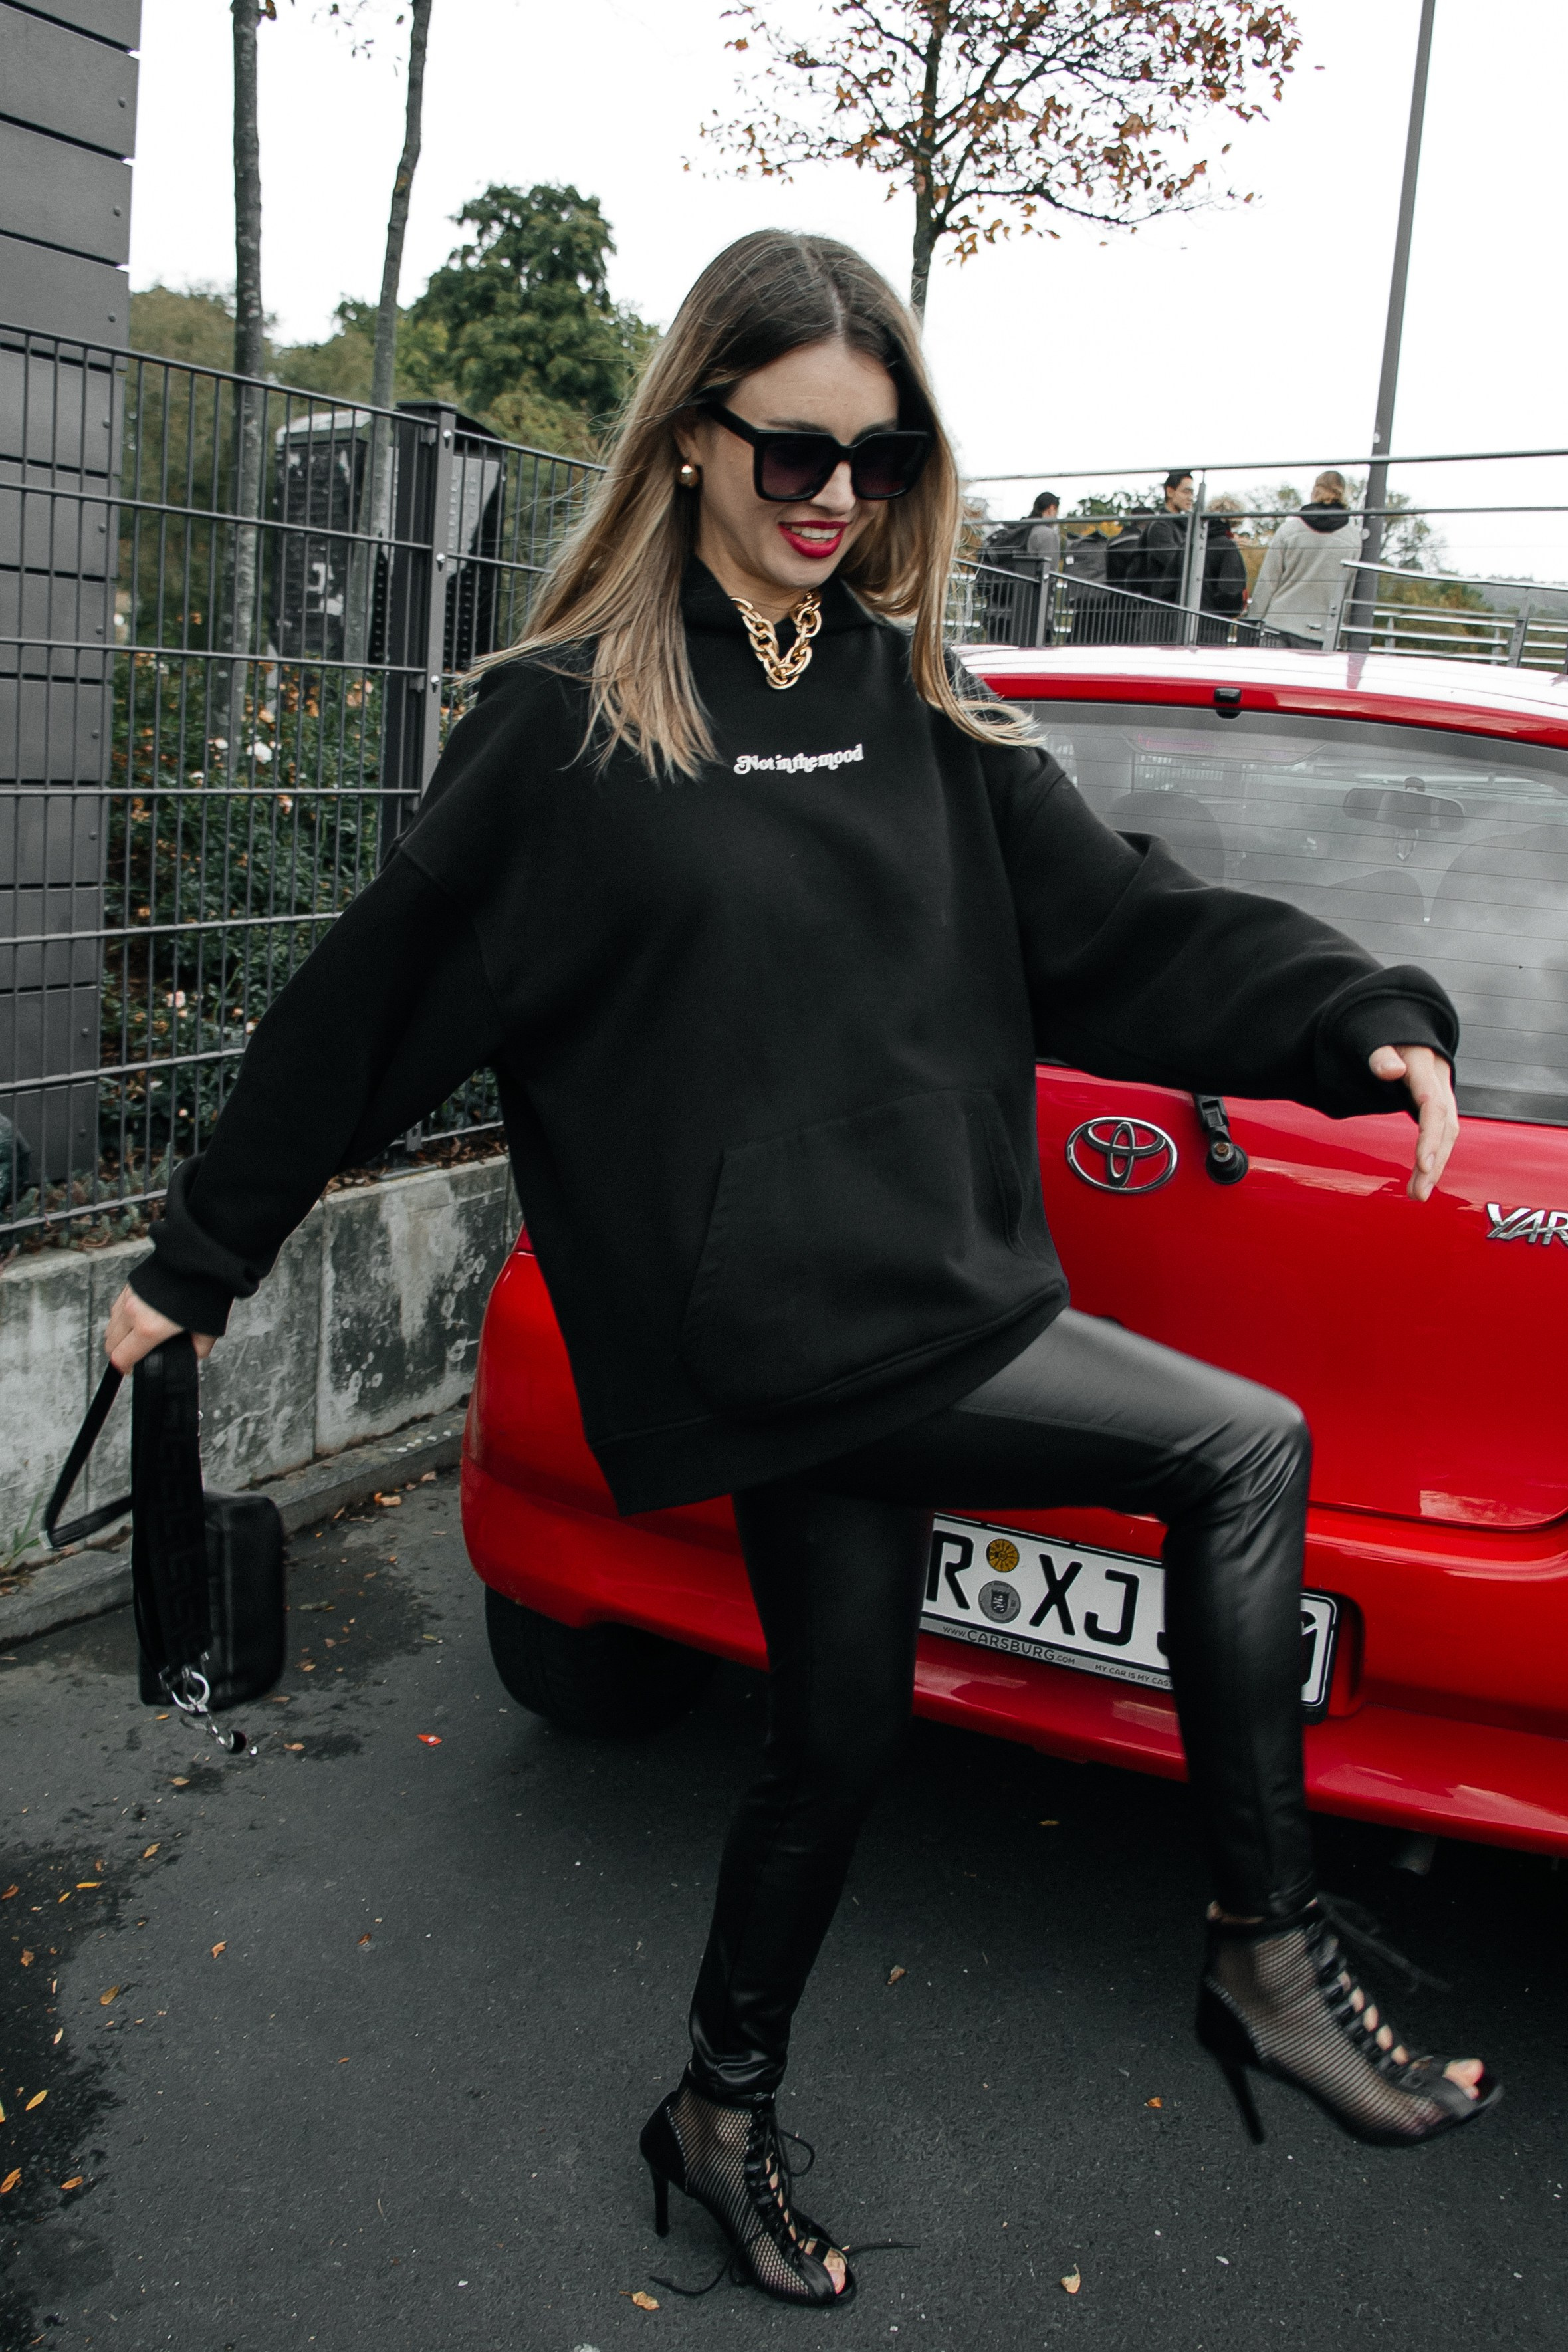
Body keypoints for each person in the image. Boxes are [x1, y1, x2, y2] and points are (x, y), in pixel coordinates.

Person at [102, 233, 1494, 2313]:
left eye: (877, 450)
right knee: (1241, 1450)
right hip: (753, 1324)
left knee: (836, 1731)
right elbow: (367, 1005)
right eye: (792, 449)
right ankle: (1265, 1951)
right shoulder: (569, 729)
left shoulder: (916, 699)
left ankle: (715, 2116)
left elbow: (1119, 927)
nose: (833, 491)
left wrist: (1353, 1013)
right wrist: (196, 1258)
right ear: (689, 440)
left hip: (917, 1294)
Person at [1248, 470, 1359, 647]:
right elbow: (1348, 593)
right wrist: (1341, 634)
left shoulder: (1289, 530)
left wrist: (1253, 621)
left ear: (1315, 490)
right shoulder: (1353, 539)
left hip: (1277, 625)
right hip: (1321, 634)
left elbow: (1268, 581)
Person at [1198, 495, 1248, 643]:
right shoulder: (1227, 547)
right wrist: (1236, 608)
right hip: (1214, 625)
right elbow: (1229, 591)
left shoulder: (1195, 542)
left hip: (1185, 620)